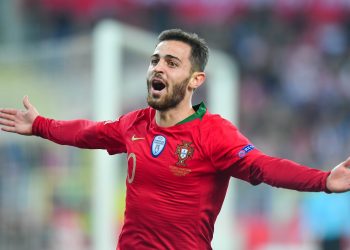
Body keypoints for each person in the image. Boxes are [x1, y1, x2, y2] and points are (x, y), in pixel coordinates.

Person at [0, 29, 350, 250]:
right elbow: (87, 132)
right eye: (155, 61)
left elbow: (262, 167)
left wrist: (324, 180)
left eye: (171, 62)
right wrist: (42, 124)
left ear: (196, 79)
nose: (157, 68)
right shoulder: (134, 124)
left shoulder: (214, 132)